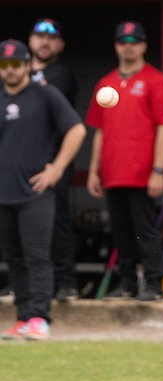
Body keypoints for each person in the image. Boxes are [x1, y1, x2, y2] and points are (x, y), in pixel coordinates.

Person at [0, 39, 85, 341]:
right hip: (4, 194)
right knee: (15, 259)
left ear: (27, 65)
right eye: (4, 65)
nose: (10, 70)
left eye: (15, 64)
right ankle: (23, 317)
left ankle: (39, 318)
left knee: (37, 256)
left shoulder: (45, 94)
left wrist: (57, 168)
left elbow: (76, 129)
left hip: (35, 193)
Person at [86, 21, 163, 302]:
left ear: (144, 45)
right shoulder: (105, 83)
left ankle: (152, 283)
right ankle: (127, 284)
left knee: (145, 231)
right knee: (121, 233)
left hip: (142, 173)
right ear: (116, 45)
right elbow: (98, 131)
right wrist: (93, 171)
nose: (129, 46)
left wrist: (158, 170)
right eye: (123, 40)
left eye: (134, 41)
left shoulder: (156, 81)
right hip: (112, 172)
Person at [28, 17, 80, 302]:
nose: (44, 42)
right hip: (22, 161)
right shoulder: (17, 74)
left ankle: (66, 283)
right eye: (39, 36)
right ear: (30, 41)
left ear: (59, 44)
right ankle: (21, 283)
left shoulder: (61, 74)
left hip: (54, 161)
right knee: (20, 227)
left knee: (56, 223)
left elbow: (36, 95)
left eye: (51, 38)